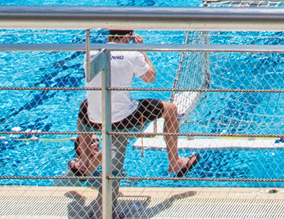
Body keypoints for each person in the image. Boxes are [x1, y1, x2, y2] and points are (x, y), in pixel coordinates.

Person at [70, 28, 198, 179]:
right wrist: (140, 50)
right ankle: (175, 162)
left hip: (96, 120)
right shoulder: (132, 54)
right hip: (126, 121)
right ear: (128, 38)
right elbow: (151, 78)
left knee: (84, 105)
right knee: (171, 110)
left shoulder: (90, 54)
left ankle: (85, 162)